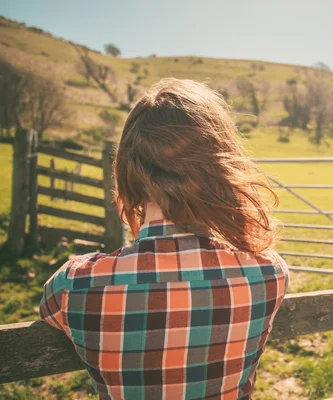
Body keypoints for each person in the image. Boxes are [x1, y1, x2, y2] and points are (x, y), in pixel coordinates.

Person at [39, 78, 289, 400]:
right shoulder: (268, 273)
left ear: (128, 171)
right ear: (218, 166)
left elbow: (47, 311)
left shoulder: (74, 284)